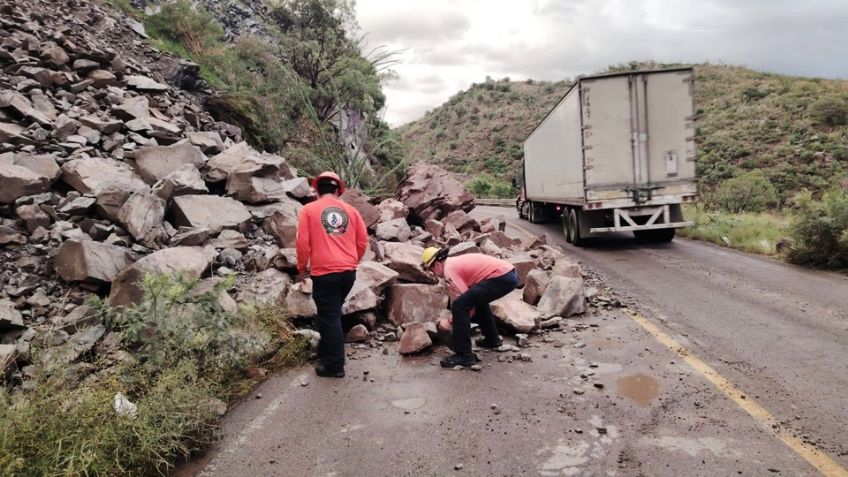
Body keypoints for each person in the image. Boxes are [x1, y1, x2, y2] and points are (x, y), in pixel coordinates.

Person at [296, 171, 368, 378]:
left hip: (324, 272)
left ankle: (334, 365)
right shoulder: (351, 211)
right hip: (348, 272)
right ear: (338, 190)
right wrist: (354, 260)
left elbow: (302, 243)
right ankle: (326, 352)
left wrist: (301, 268)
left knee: (329, 316)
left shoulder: (309, 210)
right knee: (332, 313)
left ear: (317, 190)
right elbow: (363, 241)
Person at [421, 247, 519, 368]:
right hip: (509, 275)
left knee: (460, 306)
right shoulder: (453, 263)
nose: (433, 273)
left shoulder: (449, 269)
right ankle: (492, 340)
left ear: (437, 264)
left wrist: (449, 321)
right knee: (477, 301)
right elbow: (469, 298)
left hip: (501, 277)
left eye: (431, 270)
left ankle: (464, 355)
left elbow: (465, 305)